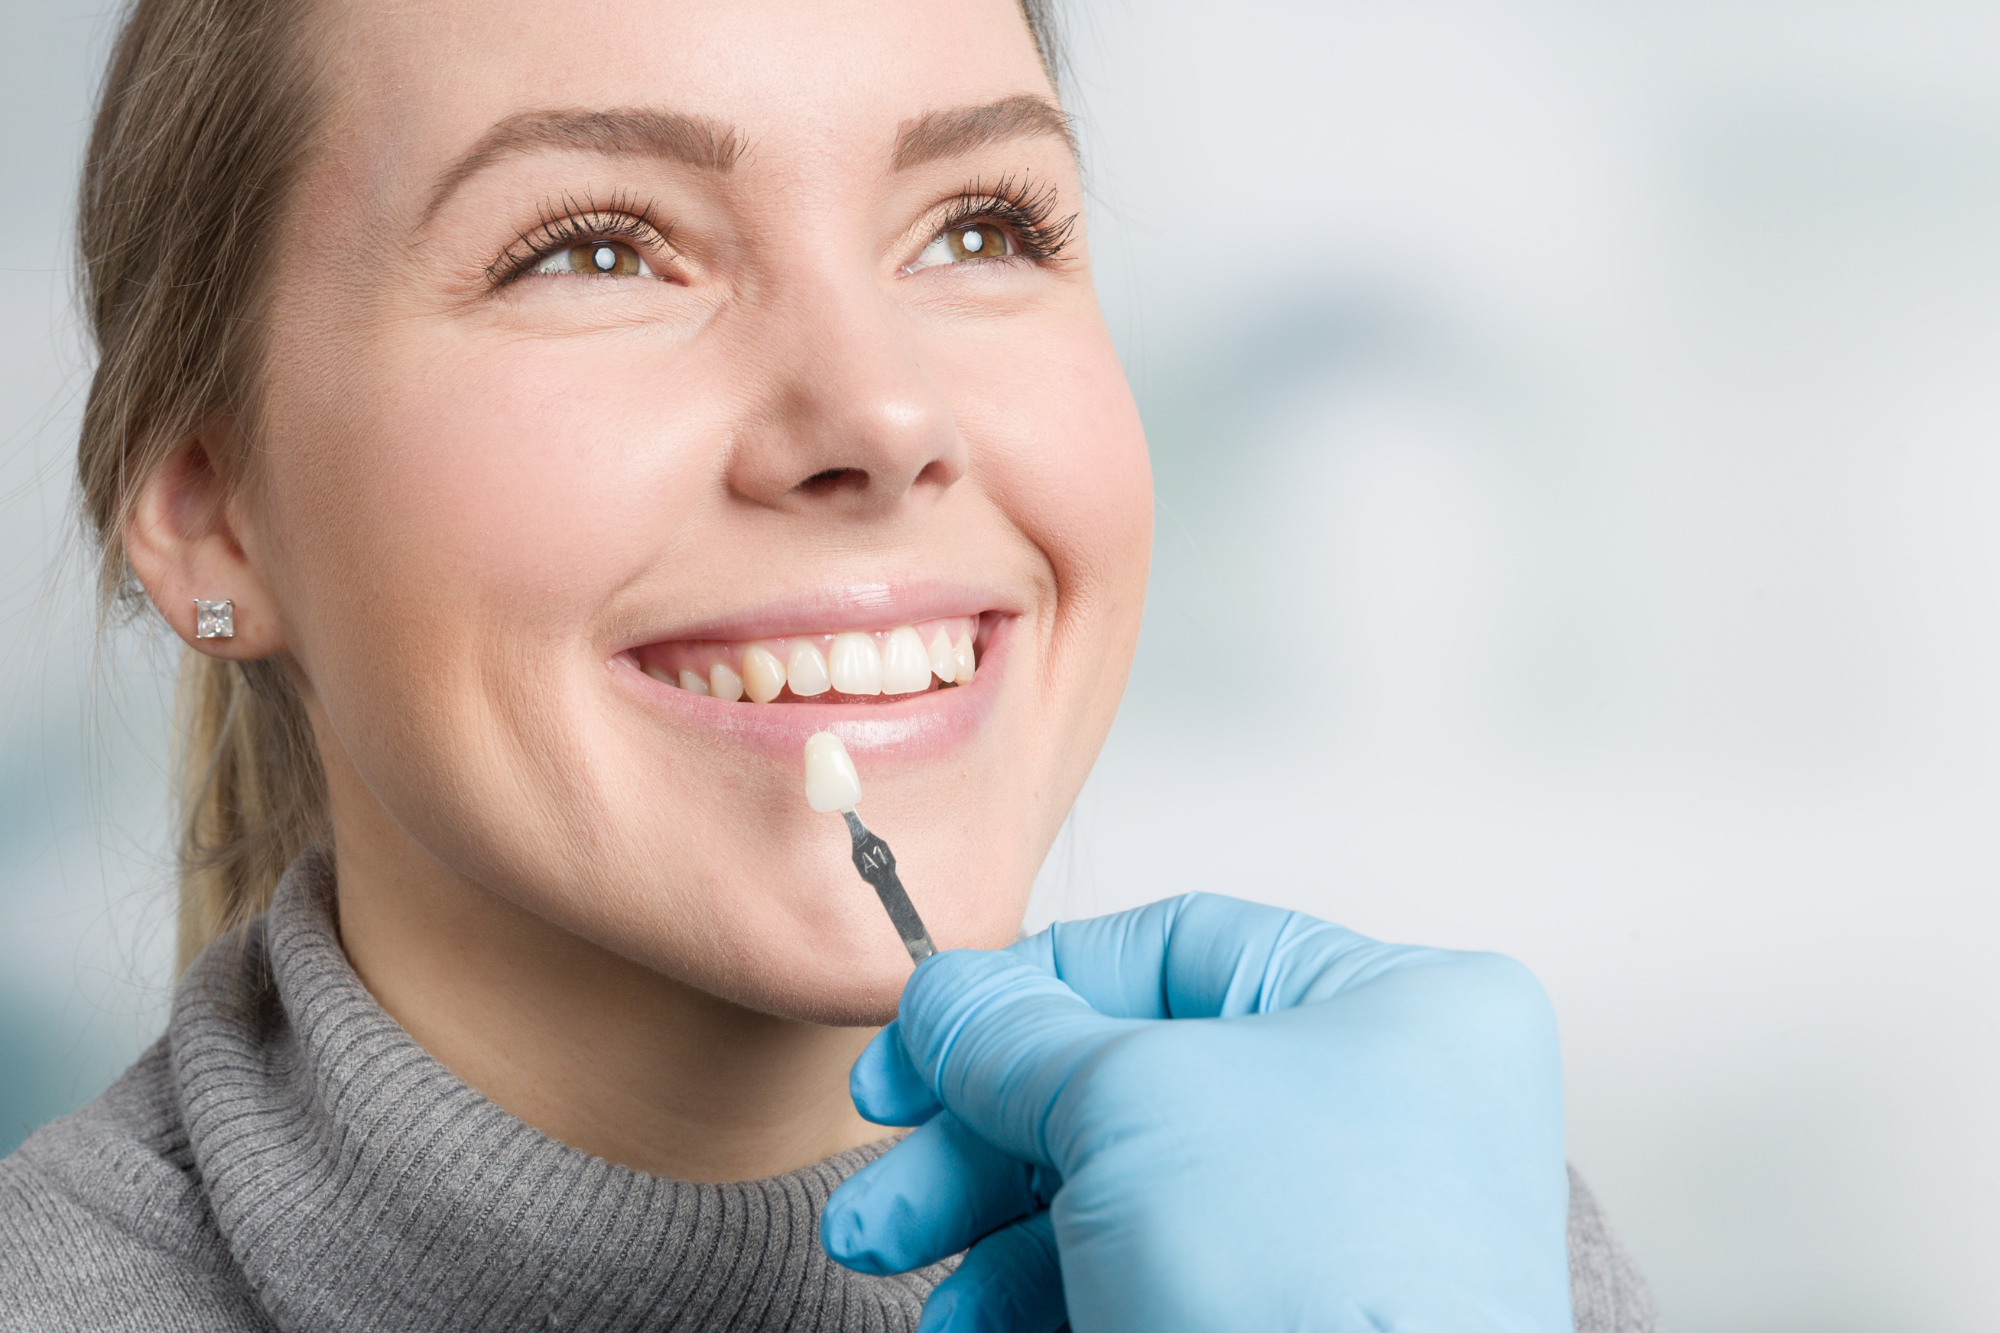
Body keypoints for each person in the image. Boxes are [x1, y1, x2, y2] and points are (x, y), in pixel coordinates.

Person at [0, 0, 1655, 1329]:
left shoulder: (1434, 1256)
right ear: (213, 518)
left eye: (979, 226)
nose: (880, 414)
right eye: (593, 248)